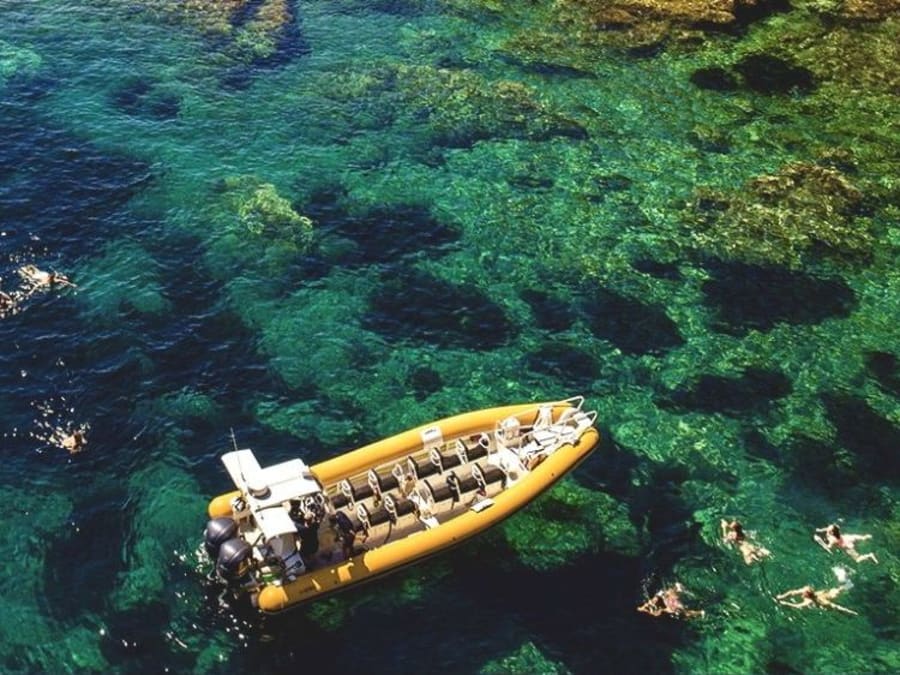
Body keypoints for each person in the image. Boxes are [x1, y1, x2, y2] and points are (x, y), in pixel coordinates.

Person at [776, 584, 858, 616]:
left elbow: (798, 606)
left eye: (803, 592)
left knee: (836, 608)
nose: (801, 591)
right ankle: (849, 585)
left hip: (826, 601)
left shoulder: (809, 601)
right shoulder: (807, 590)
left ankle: (851, 613)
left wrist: (786, 604)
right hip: (826, 593)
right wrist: (781, 597)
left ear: (807, 595)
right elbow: (791, 592)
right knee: (836, 590)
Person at [637, 583, 704, 619]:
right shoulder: (669, 608)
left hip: (669, 601)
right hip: (671, 601)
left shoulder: (659, 603)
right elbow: (685, 612)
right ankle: (678, 589)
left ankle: (699, 612)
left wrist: (644, 608)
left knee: (666, 595)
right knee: (680, 609)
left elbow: (641, 608)